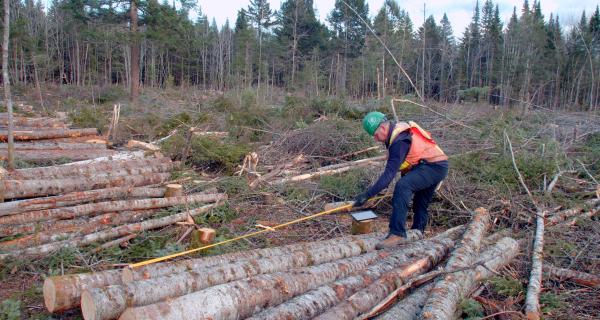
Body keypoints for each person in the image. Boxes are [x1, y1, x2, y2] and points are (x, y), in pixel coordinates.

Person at [353, 111, 448, 249]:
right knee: (420, 202)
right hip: (435, 165)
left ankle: (397, 233)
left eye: (375, 135)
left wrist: (367, 195)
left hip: (432, 166)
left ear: (383, 128)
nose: (375, 139)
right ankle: (418, 232)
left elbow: (389, 175)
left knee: (403, 186)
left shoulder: (399, 140)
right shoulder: (398, 134)